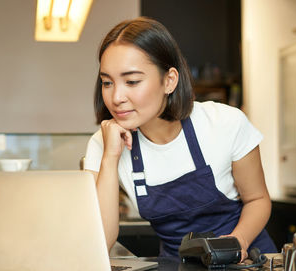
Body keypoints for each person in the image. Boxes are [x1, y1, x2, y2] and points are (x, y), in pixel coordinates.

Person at [83, 17, 276, 260]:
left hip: (246, 261)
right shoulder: (102, 143)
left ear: (169, 81)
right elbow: (99, 241)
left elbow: (258, 199)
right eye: (107, 82)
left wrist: (238, 242)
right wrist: (110, 158)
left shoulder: (224, 123)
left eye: (132, 81)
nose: (116, 96)